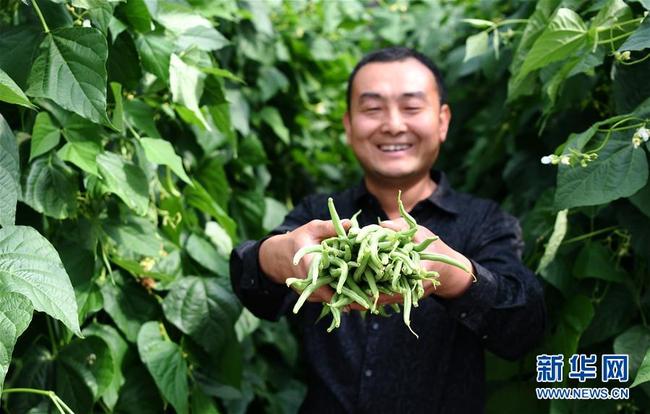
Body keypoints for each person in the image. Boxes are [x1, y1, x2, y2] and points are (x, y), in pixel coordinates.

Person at [230, 46, 546, 413]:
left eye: (411, 107)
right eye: (372, 108)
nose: (393, 124)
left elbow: (524, 325)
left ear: (442, 121)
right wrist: (279, 256)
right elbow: (250, 284)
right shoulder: (315, 217)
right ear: (348, 125)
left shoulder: (485, 222)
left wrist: (452, 273)